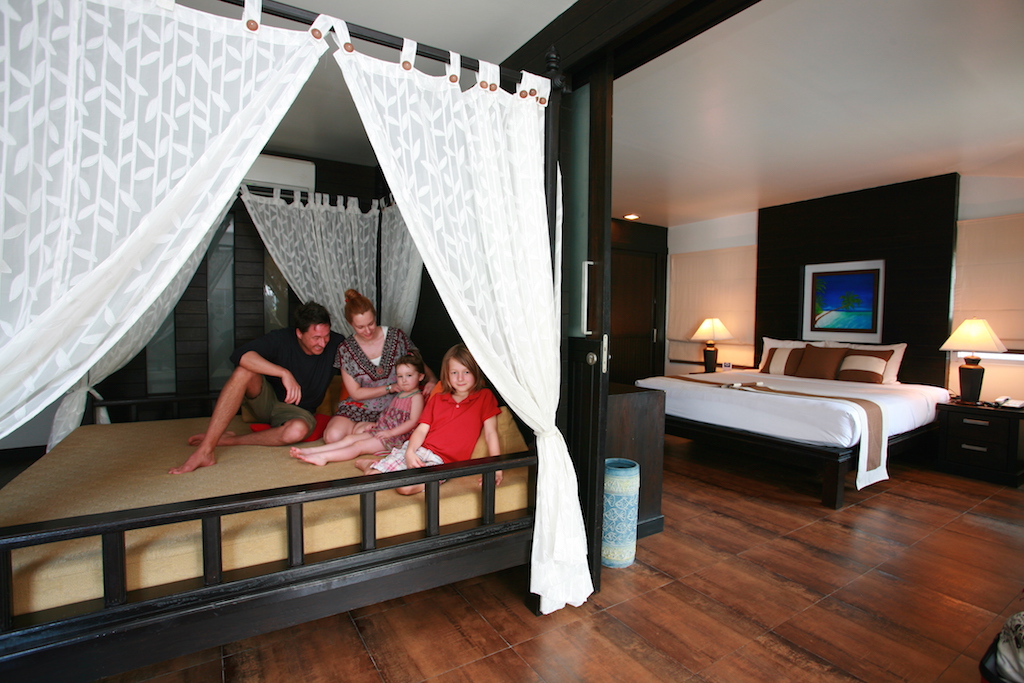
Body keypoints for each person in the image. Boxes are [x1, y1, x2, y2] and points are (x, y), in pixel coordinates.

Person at [169, 302, 343, 474]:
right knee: (244, 371)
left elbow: (356, 361)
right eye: (316, 338)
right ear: (299, 333)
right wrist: (284, 373)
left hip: (298, 413)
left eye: (326, 336)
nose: (322, 343)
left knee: (297, 431)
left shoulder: (336, 343)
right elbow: (241, 355)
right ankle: (206, 450)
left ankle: (230, 440)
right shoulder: (282, 338)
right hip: (266, 402)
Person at [354, 343, 502, 495]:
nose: (460, 378)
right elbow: (421, 430)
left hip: (442, 462)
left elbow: (491, 434)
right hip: (419, 449)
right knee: (372, 478)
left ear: (476, 371)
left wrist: (497, 468)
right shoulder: (438, 398)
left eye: (466, 372)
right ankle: (370, 466)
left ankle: (380, 465)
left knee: (405, 488)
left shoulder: (484, 397)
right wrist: (410, 452)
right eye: (454, 373)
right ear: (447, 374)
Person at [322, 288, 435, 443]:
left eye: (371, 323)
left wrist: (432, 380)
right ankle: (362, 430)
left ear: (375, 316)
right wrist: (390, 387)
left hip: (395, 408)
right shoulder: (345, 349)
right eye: (360, 327)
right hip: (361, 406)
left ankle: (362, 431)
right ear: (350, 324)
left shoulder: (396, 337)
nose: (368, 330)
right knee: (332, 437)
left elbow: (419, 365)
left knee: (365, 437)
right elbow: (356, 393)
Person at [289, 352, 426, 466]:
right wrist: (377, 425)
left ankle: (324, 457)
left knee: (359, 446)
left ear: (420, 376)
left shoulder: (416, 397)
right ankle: (312, 451)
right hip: (383, 430)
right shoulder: (400, 393)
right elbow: (390, 415)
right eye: (400, 376)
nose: (404, 380)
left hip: (395, 437)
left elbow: (413, 422)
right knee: (349, 439)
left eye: (409, 375)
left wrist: (390, 433)